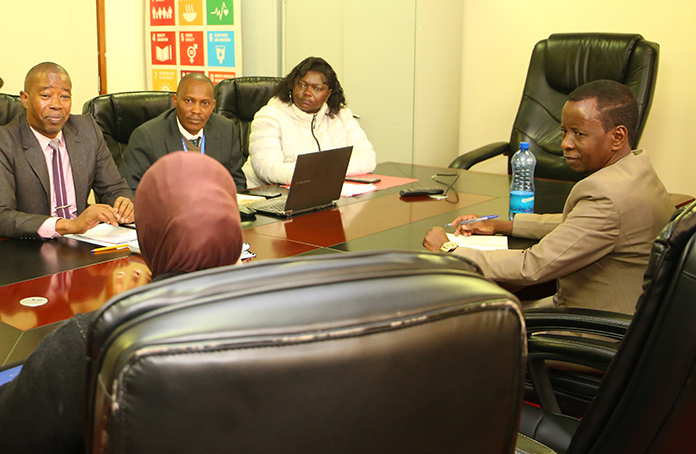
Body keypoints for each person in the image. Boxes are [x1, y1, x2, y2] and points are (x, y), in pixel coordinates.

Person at [0, 152, 244, 454]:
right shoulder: (287, 317)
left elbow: (6, 439)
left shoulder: (96, 339)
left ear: (148, 235)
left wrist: (116, 316)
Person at [423, 80, 675, 314]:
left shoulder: (605, 195)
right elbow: (579, 224)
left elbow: (531, 267)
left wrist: (450, 249)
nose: (565, 143)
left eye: (579, 133)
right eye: (564, 131)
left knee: (470, 316)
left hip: (593, 327)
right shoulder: (638, 172)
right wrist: (503, 225)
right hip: (634, 316)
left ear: (617, 136)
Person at [0, 61, 134, 239]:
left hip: (83, 243)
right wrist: (68, 225)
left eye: (64, 97)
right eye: (46, 96)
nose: (57, 105)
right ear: (25, 99)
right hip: (28, 247)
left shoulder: (87, 130)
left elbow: (114, 189)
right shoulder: (3, 141)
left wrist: (124, 204)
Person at [243, 56, 376, 188]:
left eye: (317, 88)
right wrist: (323, 172)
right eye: (302, 85)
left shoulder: (341, 115)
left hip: (324, 192)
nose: (307, 92)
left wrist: (322, 172)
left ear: (328, 94)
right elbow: (268, 169)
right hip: (269, 197)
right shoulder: (270, 116)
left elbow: (368, 159)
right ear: (292, 86)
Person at [119, 72, 246, 190]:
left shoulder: (225, 129)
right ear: (175, 100)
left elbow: (236, 183)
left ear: (213, 106)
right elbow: (131, 190)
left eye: (205, 103)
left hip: (215, 210)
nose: (197, 110)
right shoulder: (147, 136)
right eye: (189, 101)